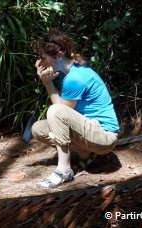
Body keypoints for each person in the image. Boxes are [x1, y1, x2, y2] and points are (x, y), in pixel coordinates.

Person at [32, 29, 119, 188]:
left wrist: (47, 83)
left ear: (58, 55)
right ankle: (86, 153)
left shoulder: (74, 78)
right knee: (38, 128)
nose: (40, 63)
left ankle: (64, 170)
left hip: (104, 137)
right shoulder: (69, 72)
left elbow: (59, 111)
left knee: (54, 111)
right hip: (91, 129)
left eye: (44, 58)